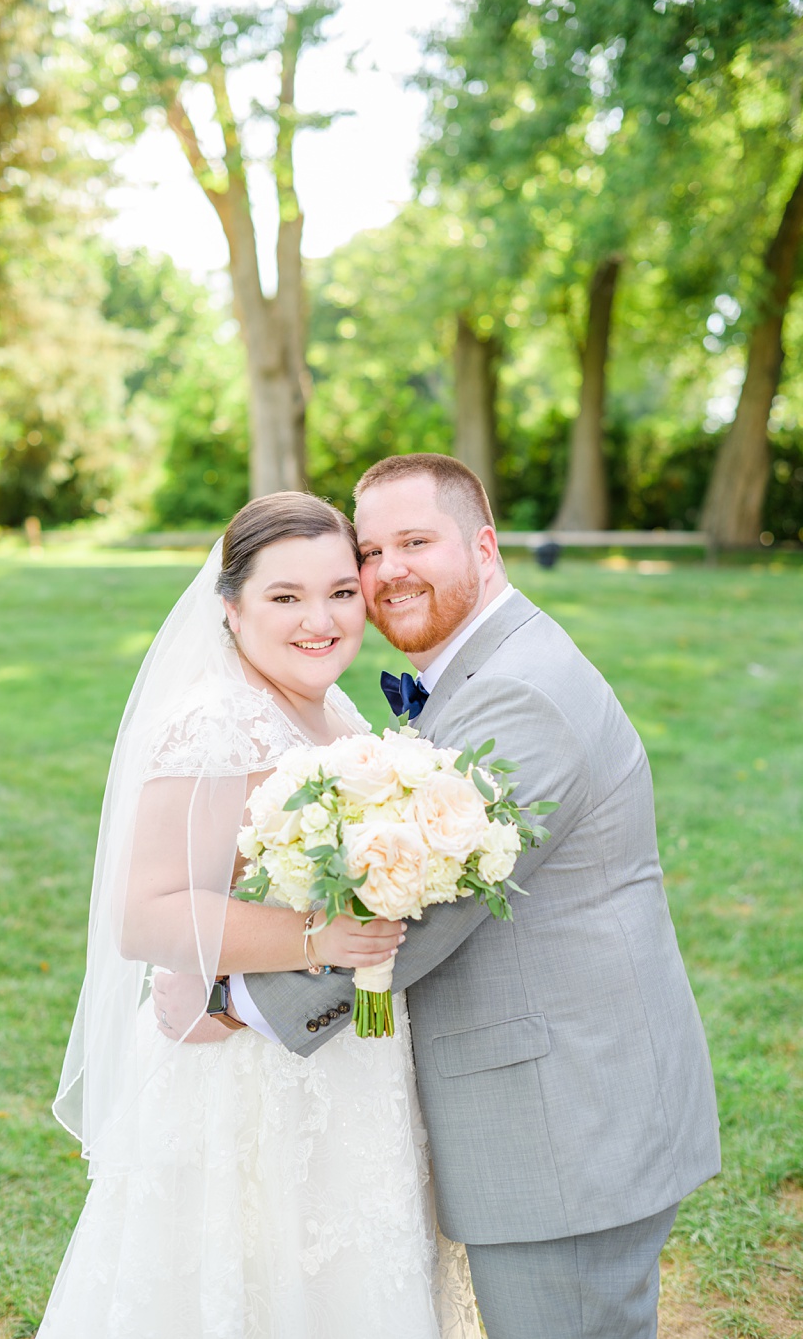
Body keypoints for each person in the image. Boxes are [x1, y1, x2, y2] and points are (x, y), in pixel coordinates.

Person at [154, 454, 719, 1338]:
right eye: (371, 551)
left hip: (565, 1129)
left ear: (485, 546)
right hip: (552, 1109)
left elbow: (419, 910)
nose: (388, 574)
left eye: (416, 541)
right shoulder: (478, 665)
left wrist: (231, 1003)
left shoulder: (517, 691)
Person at [41, 492, 481, 1338]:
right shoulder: (215, 725)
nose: (320, 619)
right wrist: (316, 938)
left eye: (340, 593)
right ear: (230, 606)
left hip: (341, 1060)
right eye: (285, 597)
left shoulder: (339, 712)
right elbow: (144, 913)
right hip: (247, 1091)